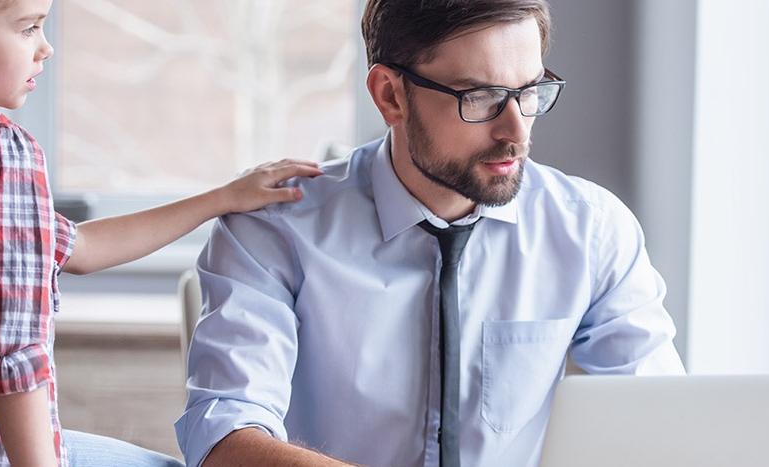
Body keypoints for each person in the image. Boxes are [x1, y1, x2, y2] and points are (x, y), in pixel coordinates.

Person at [176, 1, 686, 466]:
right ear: (390, 96)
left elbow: (662, 427)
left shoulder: (590, 230)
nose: (516, 130)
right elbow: (225, 438)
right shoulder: (273, 227)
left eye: (529, 91)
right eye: (481, 97)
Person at [0, 0, 321, 465]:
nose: (45, 47)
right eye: (28, 28)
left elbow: (79, 248)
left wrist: (223, 198)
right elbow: (12, 353)